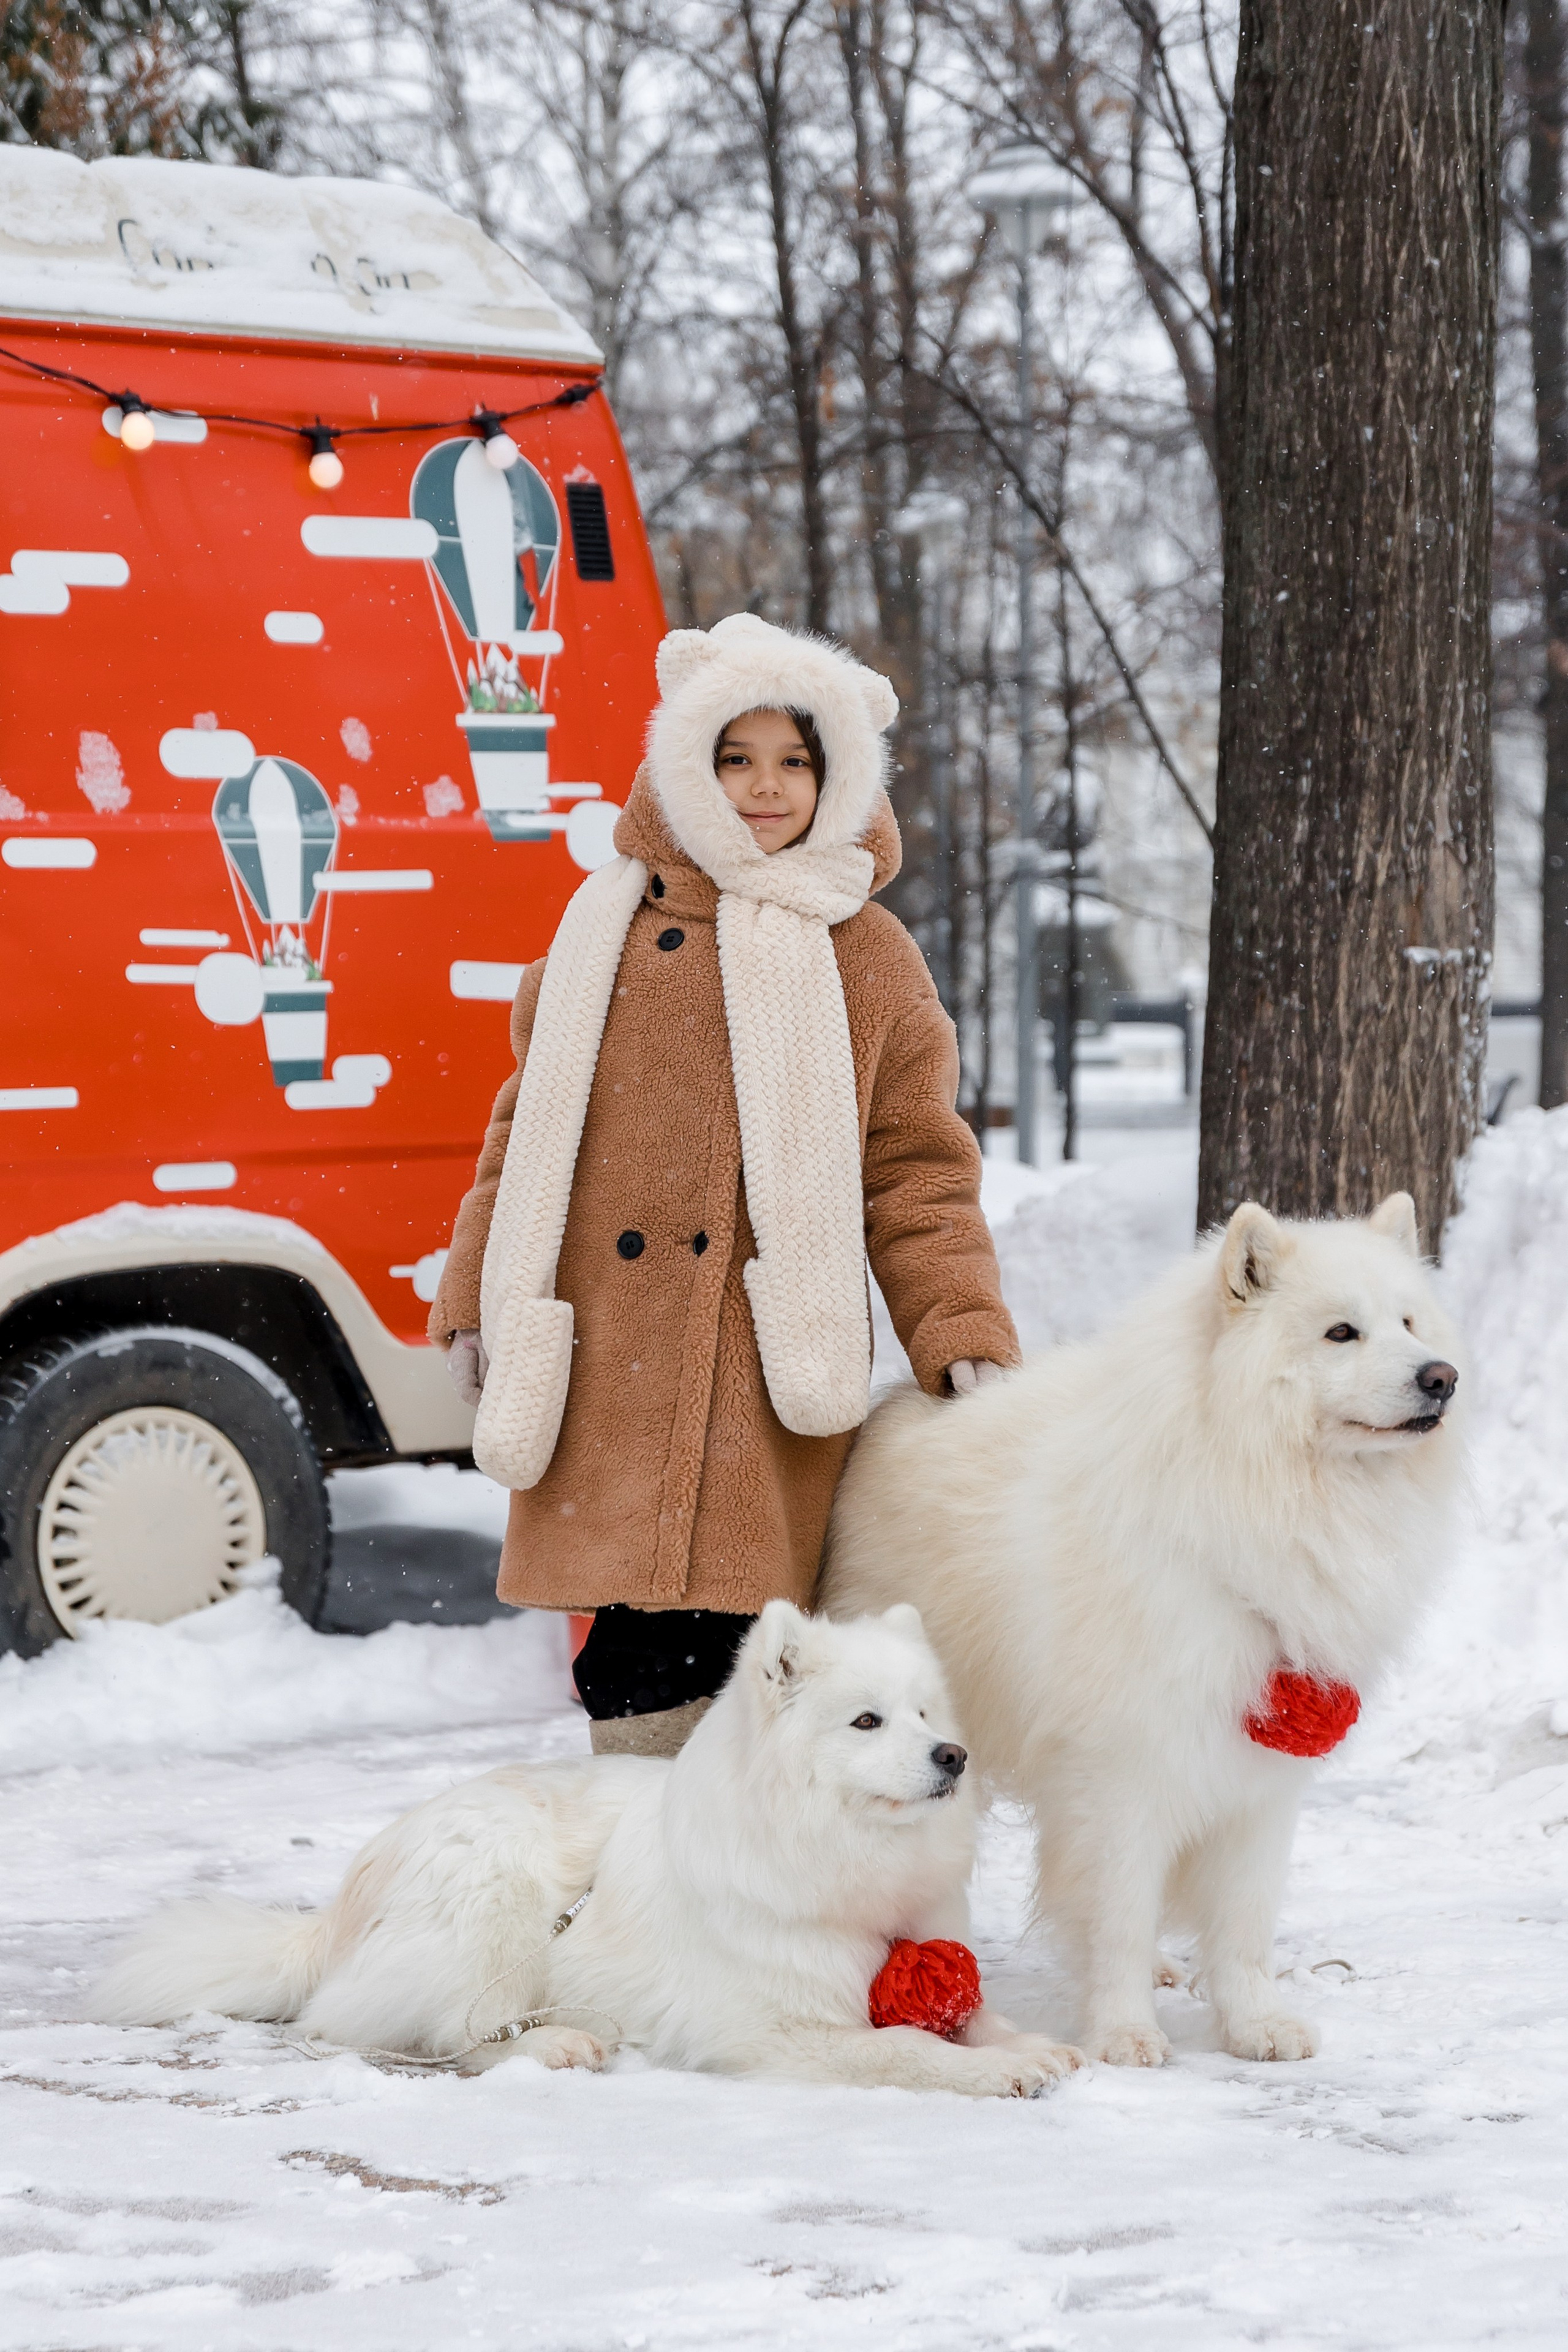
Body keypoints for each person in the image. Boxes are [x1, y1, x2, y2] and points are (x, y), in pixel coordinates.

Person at [429, 612, 1019, 1755]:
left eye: (795, 761)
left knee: (754, 1643)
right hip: (610, 1354)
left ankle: (748, 1891)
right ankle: (641, 1885)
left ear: (838, 774)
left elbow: (917, 1167)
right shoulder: (599, 929)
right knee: (631, 1653)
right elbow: (522, 1128)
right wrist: (471, 1293)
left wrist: (958, 1325)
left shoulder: (867, 953)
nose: (765, 788)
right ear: (686, 767)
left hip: (754, 1360)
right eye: (735, 758)